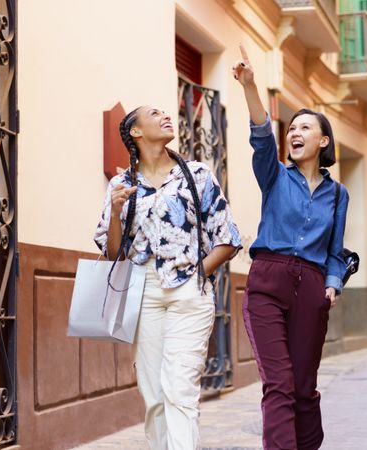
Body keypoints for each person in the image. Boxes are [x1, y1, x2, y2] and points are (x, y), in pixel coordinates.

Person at [94, 106, 241, 450]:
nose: (165, 116)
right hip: (142, 292)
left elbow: (228, 237)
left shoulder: (198, 175)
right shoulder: (122, 184)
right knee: (154, 394)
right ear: (136, 132)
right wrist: (116, 212)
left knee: (180, 388)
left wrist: (196, 274)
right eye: (154, 113)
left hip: (188, 293)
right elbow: (114, 251)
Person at [232, 44, 349, 450]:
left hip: (313, 288)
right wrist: (250, 87)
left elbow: (336, 249)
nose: (294, 133)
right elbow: (262, 137)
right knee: (278, 384)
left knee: (303, 388)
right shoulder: (275, 176)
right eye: (292, 128)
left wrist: (333, 282)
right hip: (268, 281)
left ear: (323, 141)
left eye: (304, 128)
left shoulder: (338, 194)